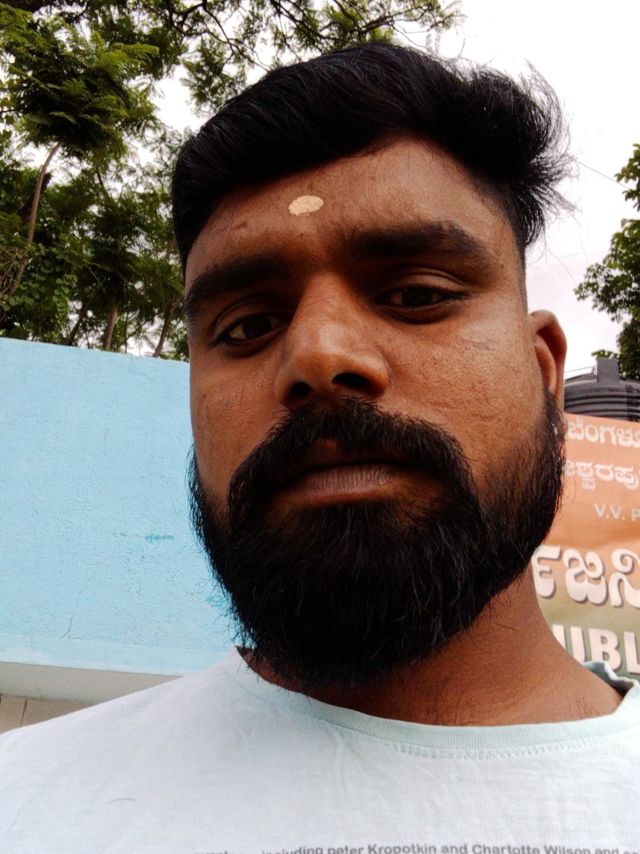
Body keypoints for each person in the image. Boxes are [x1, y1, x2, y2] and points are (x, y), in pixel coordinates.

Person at [1, 44, 638, 854]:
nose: (318, 356)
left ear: (545, 374)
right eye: (247, 326)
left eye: (416, 294)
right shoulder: (24, 807)